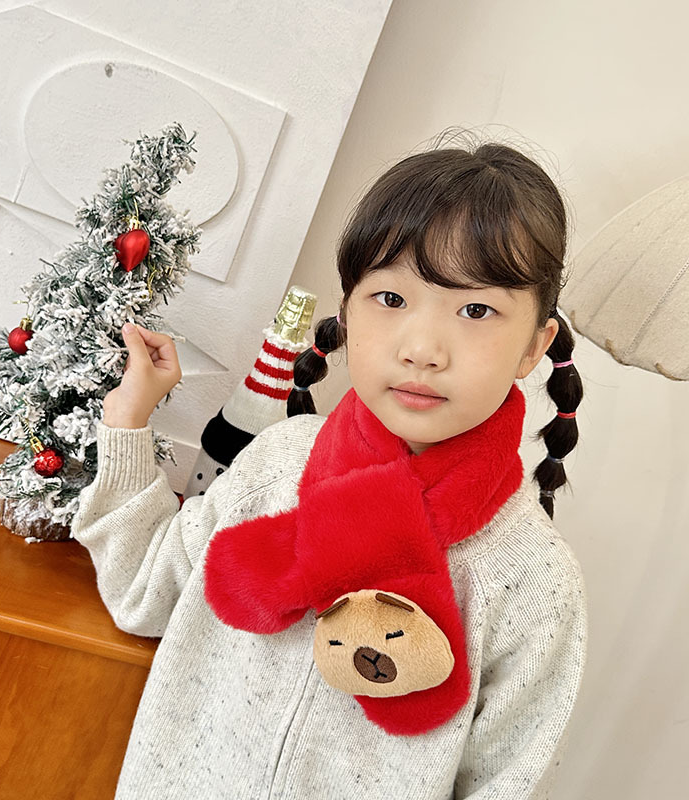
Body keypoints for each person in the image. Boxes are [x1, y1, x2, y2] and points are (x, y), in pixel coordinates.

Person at [71, 132, 588, 799]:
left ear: (535, 346)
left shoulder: (534, 578)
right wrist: (126, 422)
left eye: (477, 309)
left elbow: (504, 784)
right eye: (391, 299)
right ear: (346, 314)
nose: (423, 349)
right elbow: (144, 593)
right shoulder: (278, 464)